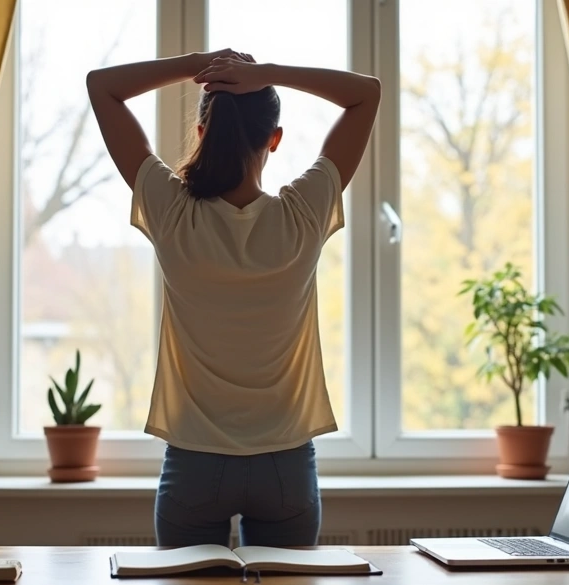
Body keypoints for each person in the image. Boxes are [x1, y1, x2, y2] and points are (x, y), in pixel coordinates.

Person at [85, 49, 380, 547]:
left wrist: (201, 64)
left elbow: (102, 86)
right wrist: (269, 73)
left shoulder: (174, 214)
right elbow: (365, 94)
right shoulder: (302, 216)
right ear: (274, 139)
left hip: (195, 465)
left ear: (202, 133)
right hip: (286, 466)